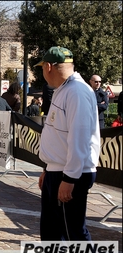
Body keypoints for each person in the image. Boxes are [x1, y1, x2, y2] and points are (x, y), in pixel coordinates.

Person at [35, 46, 100, 242]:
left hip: (69, 173)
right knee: (52, 232)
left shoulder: (76, 91)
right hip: (60, 170)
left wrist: (70, 178)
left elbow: (79, 137)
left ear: (48, 67)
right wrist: (49, 169)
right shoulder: (65, 90)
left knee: (74, 234)